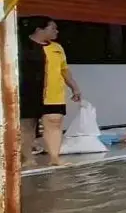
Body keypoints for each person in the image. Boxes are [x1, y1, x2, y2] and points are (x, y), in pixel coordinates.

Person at [19, 16, 81, 166]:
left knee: (54, 122)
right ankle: (28, 159)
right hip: (28, 92)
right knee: (27, 126)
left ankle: (54, 158)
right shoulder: (21, 46)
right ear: (39, 29)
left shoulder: (57, 48)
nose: (56, 31)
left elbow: (64, 70)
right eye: (52, 28)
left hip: (53, 94)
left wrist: (74, 87)